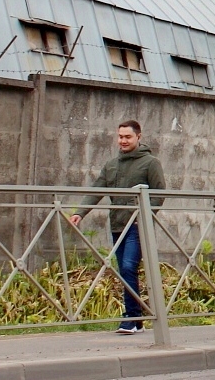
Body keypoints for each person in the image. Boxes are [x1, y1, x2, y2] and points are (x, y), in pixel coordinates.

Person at [69, 120, 166, 333]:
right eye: (120, 137)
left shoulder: (150, 163)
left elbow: (160, 192)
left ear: (138, 137)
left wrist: (146, 214)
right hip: (117, 225)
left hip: (137, 226)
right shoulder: (111, 165)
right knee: (123, 271)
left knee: (129, 267)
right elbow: (97, 190)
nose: (123, 140)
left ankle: (130, 318)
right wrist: (79, 213)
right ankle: (137, 319)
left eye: (127, 137)